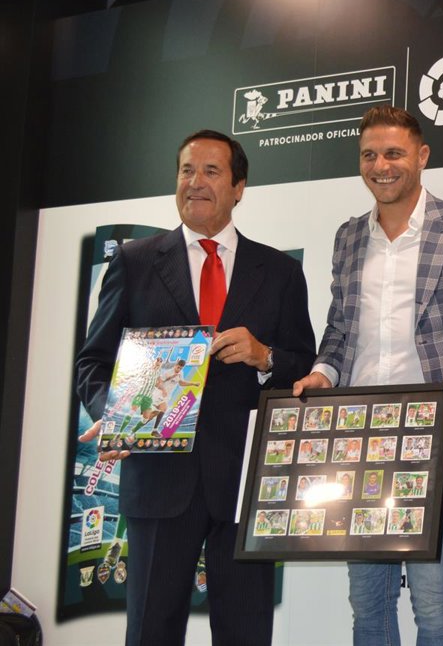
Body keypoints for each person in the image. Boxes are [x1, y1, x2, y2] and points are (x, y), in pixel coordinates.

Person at [76, 130, 316, 646]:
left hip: (245, 483)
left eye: (211, 171)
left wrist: (265, 356)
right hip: (158, 480)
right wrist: (113, 414)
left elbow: (303, 367)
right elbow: (92, 363)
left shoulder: (279, 272)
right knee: (151, 631)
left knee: (246, 633)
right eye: (187, 170)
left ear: (239, 187)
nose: (195, 182)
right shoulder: (135, 262)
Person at [291, 105, 443, 646]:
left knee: (433, 601)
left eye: (393, 153)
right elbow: (340, 328)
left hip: (433, 435)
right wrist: (322, 372)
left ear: (422, 156)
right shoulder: (348, 237)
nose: (380, 166)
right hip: (357, 438)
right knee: (367, 604)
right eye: (369, 155)